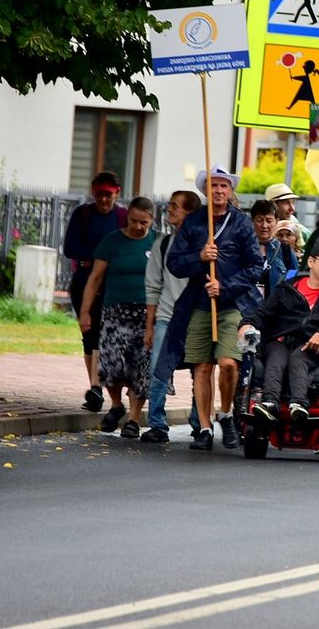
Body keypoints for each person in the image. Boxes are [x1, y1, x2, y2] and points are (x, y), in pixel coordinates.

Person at [166, 165, 264, 451]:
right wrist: (199, 256)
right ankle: (205, 428)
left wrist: (226, 286)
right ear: (206, 191)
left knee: (229, 363)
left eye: (224, 186)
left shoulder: (241, 224)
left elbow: (254, 267)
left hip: (231, 305)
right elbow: (174, 263)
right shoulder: (194, 223)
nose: (219, 191)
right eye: (213, 186)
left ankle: (227, 413)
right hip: (198, 304)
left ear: (230, 191)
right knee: (203, 367)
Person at [240, 239, 319, 424]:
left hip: (312, 347)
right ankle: (270, 403)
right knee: (276, 356)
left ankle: (299, 404)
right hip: (281, 340)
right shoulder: (287, 288)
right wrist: (246, 325)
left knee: (298, 357)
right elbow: (261, 314)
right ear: (311, 262)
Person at [78, 197, 157, 437]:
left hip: (146, 313)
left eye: (144, 222)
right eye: (134, 221)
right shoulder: (111, 241)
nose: (138, 226)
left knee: (140, 367)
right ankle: (116, 405)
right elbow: (95, 278)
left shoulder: (159, 242)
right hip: (115, 312)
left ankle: (133, 419)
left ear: (152, 220)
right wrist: (85, 311)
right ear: (127, 218)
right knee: (111, 365)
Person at [63, 171, 128, 412]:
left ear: (117, 193)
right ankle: (95, 387)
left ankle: (99, 386)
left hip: (111, 284)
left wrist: (97, 259)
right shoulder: (82, 214)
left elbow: (126, 244)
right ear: (93, 192)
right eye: (99, 194)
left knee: (106, 334)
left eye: (108, 195)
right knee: (89, 333)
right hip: (83, 282)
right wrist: (99, 256)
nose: (103, 200)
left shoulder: (122, 216)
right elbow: (71, 247)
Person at [142, 190, 203, 443]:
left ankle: (200, 423)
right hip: (167, 317)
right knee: (158, 369)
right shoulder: (163, 244)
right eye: (170, 205)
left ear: (190, 213)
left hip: (196, 317)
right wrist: (150, 325)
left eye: (176, 206)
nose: (170, 210)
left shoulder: (204, 245)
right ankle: (157, 423)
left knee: (200, 372)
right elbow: (153, 286)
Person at [250, 199, 294, 299]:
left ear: (276, 221)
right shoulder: (244, 248)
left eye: (269, 220)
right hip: (248, 308)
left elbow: (293, 275)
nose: (264, 226)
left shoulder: (285, 250)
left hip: (276, 308)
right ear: (252, 221)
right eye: (260, 220)